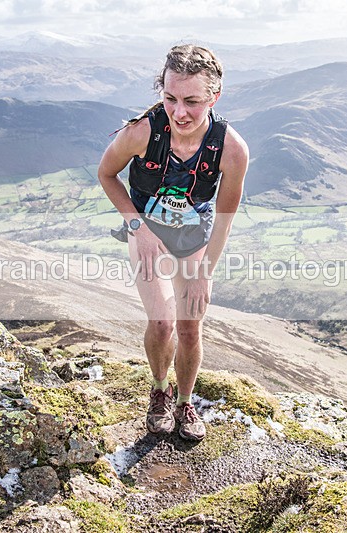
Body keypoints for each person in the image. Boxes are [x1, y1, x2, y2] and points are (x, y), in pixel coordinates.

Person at [97, 44, 249, 441]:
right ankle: (159, 391)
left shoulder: (231, 149)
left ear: (215, 97)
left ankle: (185, 401)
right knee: (162, 322)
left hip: (194, 236)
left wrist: (204, 272)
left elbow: (226, 218)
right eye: (170, 98)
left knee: (189, 327)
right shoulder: (141, 132)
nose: (179, 112)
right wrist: (137, 227)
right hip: (146, 231)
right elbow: (106, 174)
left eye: (192, 102)